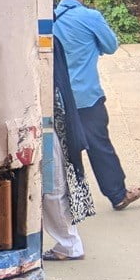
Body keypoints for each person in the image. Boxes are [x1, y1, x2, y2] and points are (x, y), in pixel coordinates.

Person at [52, 0, 140, 211]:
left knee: (63, 152)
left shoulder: (48, 19)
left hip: (57, 98)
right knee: (100, 147)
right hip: (86, 98)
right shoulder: (90, 16)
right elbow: (111, 46)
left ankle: (66, 204)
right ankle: (118, 194)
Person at [42, 38, 95, 260]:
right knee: (51, 186)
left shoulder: (47, 41)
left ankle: (70, 245)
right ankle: (68, 243)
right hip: (53, 122)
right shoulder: (50, 38)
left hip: (49, 123)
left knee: (52, 186)